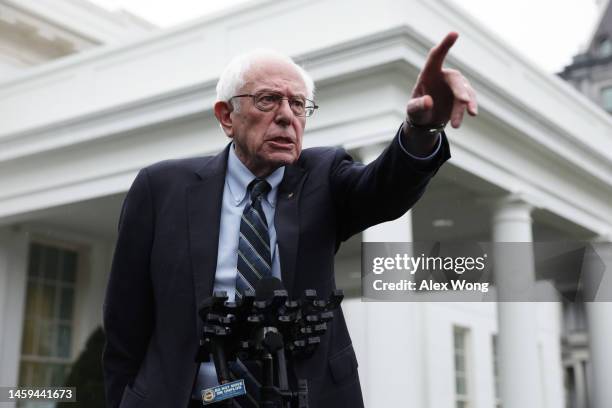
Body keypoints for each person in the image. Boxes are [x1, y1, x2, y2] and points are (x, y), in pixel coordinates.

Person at [103, 32, 477, 408]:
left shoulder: (325, 176)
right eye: (267, 99)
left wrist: (422, 130)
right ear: (226, 116)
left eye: (298, 104)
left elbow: (384, 188)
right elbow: (125, 325)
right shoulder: (161, 188)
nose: (285, 115)